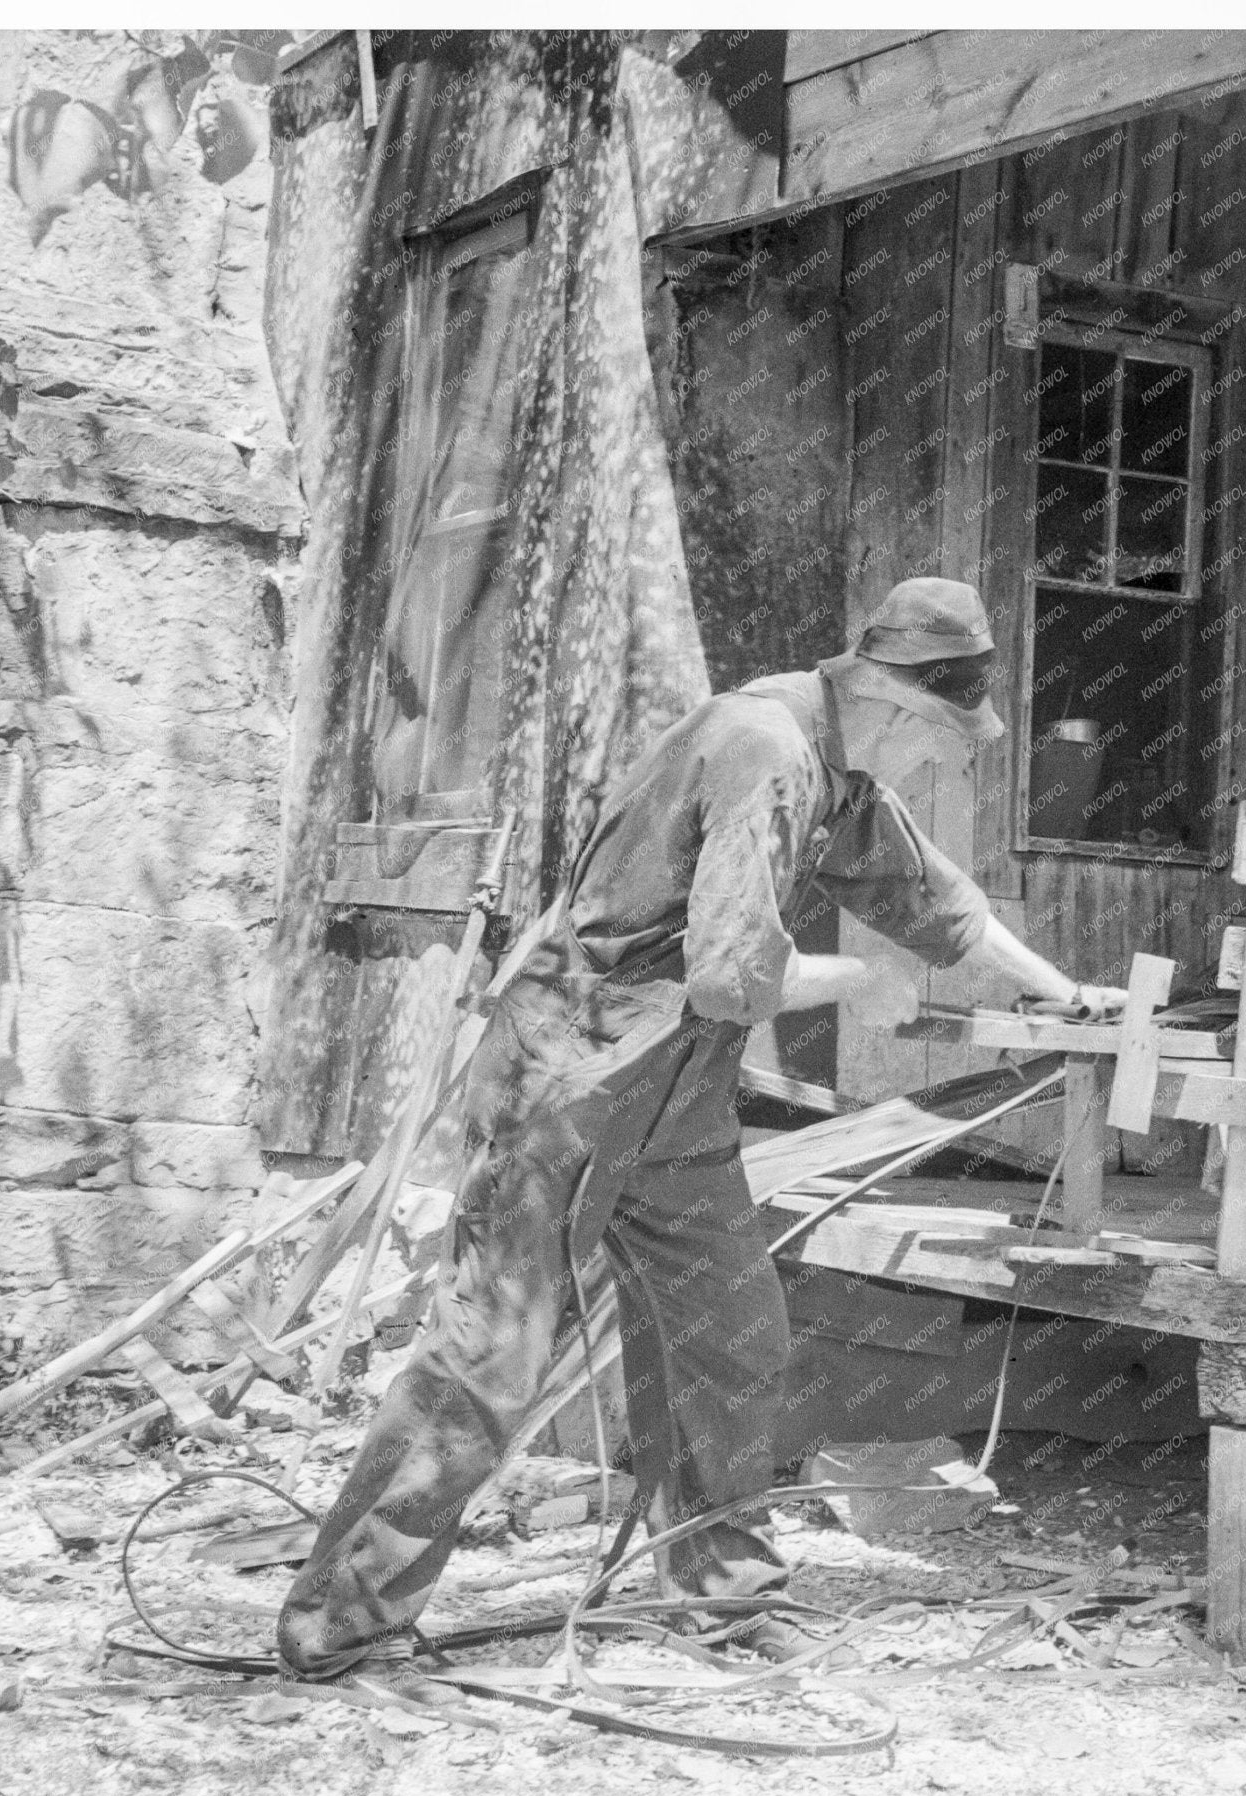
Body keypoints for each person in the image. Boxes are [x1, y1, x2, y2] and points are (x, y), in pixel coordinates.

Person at [277, 578, 1126, 1678]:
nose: (946, 766)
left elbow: (934, 900)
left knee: (728, 1337)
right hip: (573, 1077)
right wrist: (851, 980)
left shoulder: (835, 754)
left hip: (672, 1091)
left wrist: (1061, 992)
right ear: (901, 703)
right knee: (492, 1355)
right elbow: (733, 973)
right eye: (950, 745)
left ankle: (719, 1596)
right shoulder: (763, 744)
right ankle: (342, 1621)